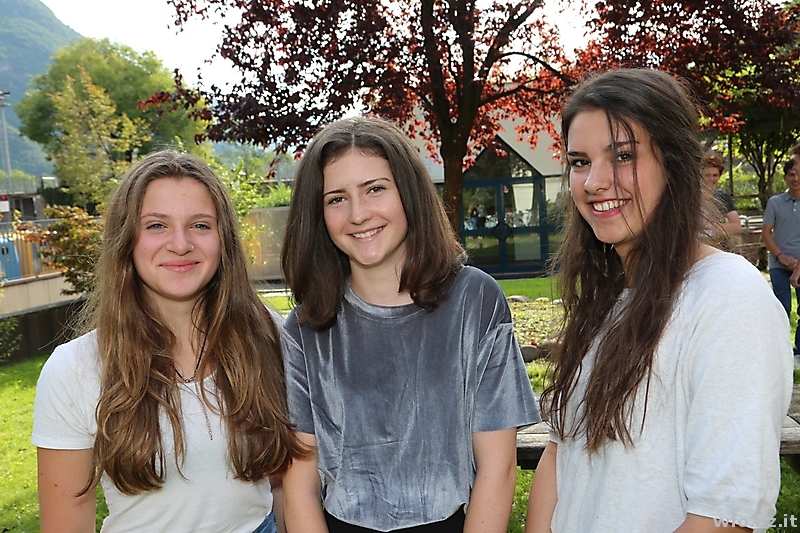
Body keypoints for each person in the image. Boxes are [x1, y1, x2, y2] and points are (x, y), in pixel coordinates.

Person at [525, 68, 792, 532]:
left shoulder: (730, 298)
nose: (593, 182)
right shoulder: (606, 297)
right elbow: (559, 453)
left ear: (674, 162)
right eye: (580, 161)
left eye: (622, 155)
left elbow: (723, 514)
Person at [280, 116, 540, 532]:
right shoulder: (305, 328)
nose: (358, 214)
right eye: (336, 199)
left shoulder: (475, 300)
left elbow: (499, 467)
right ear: (318, 213)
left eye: (375, 189)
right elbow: (299, 483)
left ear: (409, 192)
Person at [32, 150, 306, 532]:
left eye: (200, 225)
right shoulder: (74, 369)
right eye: (157, 225)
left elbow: (285, 486)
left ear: (223, 240)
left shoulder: (269, 337)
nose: (180, 244)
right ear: (126, 239)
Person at [764, 157, 800, 359]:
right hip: (778, 262)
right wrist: (780, 255)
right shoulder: (775, 202)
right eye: (791, 174)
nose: (795, 178)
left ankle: (799, 352)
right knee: (782, 307)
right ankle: (780, 351)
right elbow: (766, 234)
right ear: (785, 177)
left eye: (798, 174)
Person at [700, 153, 742, 249]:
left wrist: (710, 227)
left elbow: (737, 226)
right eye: (707, 175)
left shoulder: (723, 197)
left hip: (720, 248)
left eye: (715, 175)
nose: (711, 179)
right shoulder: (693, 197)